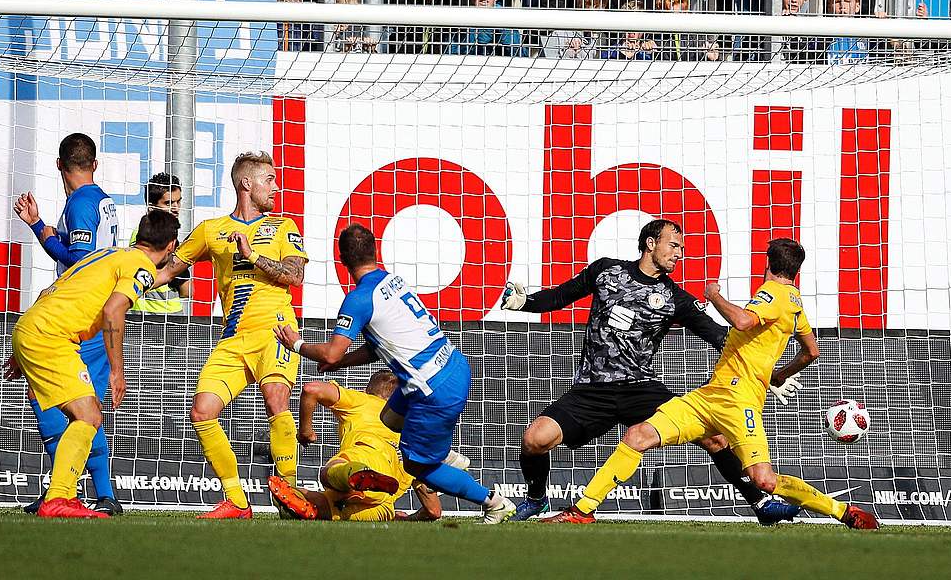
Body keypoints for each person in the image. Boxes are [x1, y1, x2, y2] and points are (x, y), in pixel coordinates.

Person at [544, 238, 879, 529]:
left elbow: (743, 320)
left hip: (739, 403)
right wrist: (780, 374)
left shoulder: (772, 293)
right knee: (638, 436)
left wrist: (714, 296)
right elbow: (811, 352)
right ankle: (582, 510)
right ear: (796, 270)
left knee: (765, 479)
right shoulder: (795, 303)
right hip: (708, 397)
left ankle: (840, 510)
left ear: (768, 264)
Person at [498, 219, 803, 525]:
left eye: (682, 248)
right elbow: (561, 296)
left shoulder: (675, 298)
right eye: (674, 245)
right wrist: (525, 302)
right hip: (592, 389)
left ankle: (761, 502)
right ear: (651, 244)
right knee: (534, 440)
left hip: (641, 389)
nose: (679, 254)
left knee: (716, 439)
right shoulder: (606, 271)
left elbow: (720, 336)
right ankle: (537, 499)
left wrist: (764, 373)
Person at [273, 224, 518, 524]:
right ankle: (441, 454)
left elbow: (330, 353)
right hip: (454, 365)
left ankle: (493, 502)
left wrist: (295, 343)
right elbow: (377, 347)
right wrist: (342, 363)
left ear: (343, 261)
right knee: (389, 418)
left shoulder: (359, 298)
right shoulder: (394, 283)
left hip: (432, 386)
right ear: (376, 252)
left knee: (417, 466)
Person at [150, 151, 308, 519]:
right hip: (233, 338)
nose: (276, 186)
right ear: (246, 184)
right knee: (202, 410)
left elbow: (295, 276)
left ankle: (290, 497)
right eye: (269, 179)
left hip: (276, 331)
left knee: (275, 400)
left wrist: (252, 257)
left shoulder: (285, 227)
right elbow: (167, 270)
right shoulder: (211, 229)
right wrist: (125, 283)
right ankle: (237, 501)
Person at [5, 211, 179, 518]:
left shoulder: (109, 255)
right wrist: (117, 370)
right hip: (52, 336)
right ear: (170, 245)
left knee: (84, 414)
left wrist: (22, 349)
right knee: (88, 415)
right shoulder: (138, 266)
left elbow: (50, 290)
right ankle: (59, 497)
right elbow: (114, 310)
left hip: (31, 326)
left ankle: (63, 494)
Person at [10, 133, 123, 516]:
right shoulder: (102, 201)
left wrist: (39, 226)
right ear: (96, 163)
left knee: (63, 407)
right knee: (81, 408)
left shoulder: (81, 203)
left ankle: (68, 491)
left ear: (59, 164)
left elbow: (77, 260)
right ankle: (86, 490)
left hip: (81, 320)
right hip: (91, 314)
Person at [267, 370, 444, 522]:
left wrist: (305, 431)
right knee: (372, 509)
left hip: (367, 453)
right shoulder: (415, 432)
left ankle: (352, 473)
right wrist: (409, 518)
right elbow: (434, 511)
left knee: (329, 474)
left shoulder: (363, 400)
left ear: (367, 391)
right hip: (383, 496)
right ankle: (308, 500)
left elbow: (311, 389)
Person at [129, 172, 190, 314]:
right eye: (168, 203)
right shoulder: (146, 236)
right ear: (151, 207)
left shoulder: (143, 233)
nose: (176, 208)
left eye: (178, 201)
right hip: (158, 317)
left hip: (167, 314)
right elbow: (187, 290)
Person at [449, 0, 527, 56]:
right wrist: (474, 39)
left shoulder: (506, 17)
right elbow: (451, 51)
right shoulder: (463, 17)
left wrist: (502, 32)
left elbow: (520, 54)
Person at [541, 0, 606, 59]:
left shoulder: (599, 36)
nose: (602, 17)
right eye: (598, 10)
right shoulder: (562, 32)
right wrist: (569, 50)